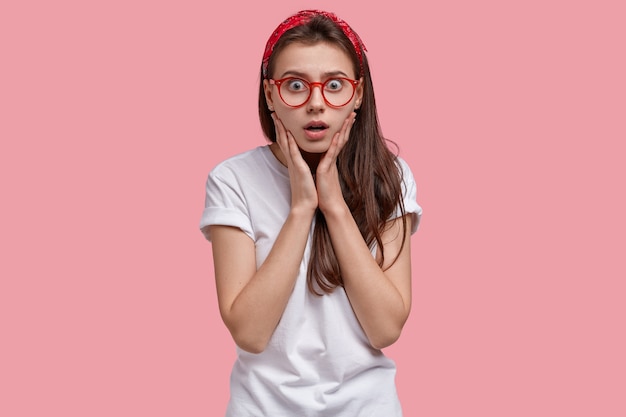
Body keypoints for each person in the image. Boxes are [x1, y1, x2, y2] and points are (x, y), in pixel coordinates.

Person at [200, 9, 422, 416]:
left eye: (334, 85)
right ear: (270, 95)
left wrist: (333, 205)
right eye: (296, 85)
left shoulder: (391, 177)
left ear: (357, 93)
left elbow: (385, 328)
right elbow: (250, 332)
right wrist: (302, 208)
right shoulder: (232, 179)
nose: (316, 104)